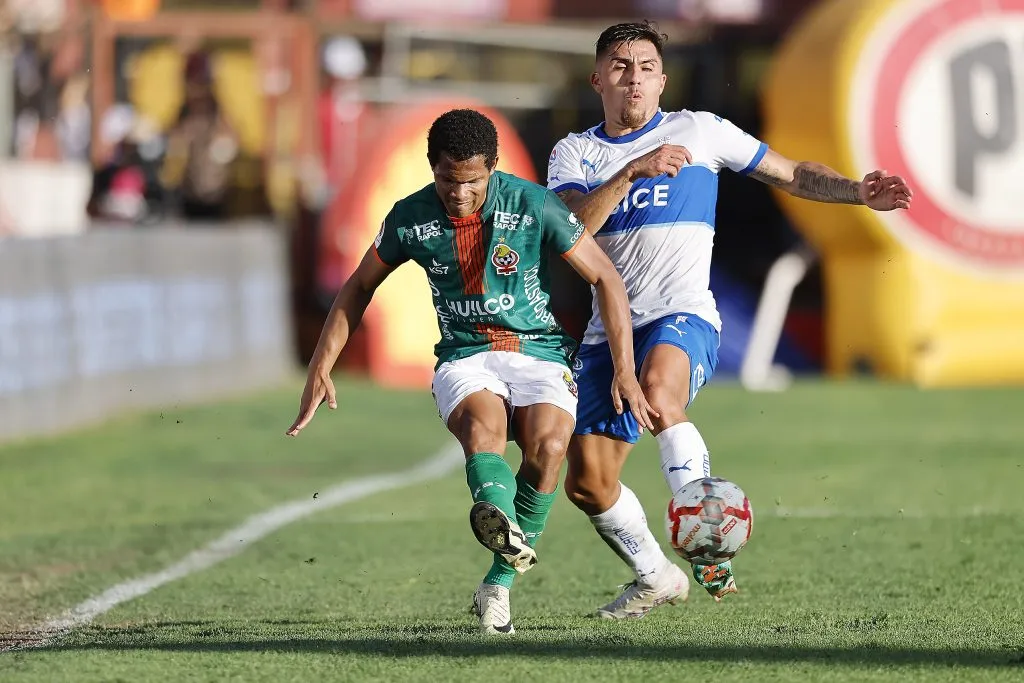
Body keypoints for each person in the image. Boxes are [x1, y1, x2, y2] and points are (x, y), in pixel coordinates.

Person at [547, 21, 913, 619]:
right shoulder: (575, 153)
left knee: (662, 393)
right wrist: (630, 173)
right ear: (597, 79)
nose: (632, 77)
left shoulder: (701, 131)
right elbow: (569, 234)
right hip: (606, 331)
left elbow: (791, 174)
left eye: (644, 67)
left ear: (662, 80)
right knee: (588, 483)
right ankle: (654, 575)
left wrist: (857, 192)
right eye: (619, 65)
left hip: (683, 314)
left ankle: (708, 538)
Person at [287, 108, 656, 635]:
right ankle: (494, 512)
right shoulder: (409, 216)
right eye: (447, 180)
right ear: (432, 167)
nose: (459, 193)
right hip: (465, 354)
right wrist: (322, 365)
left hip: (539, 350)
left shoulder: (532, 203)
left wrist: (624, 370)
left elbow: (605, 277)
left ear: (493, 169)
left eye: (472, 181)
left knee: (550, 449)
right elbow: (357, 286)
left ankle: (497, 583)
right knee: (485, 431)